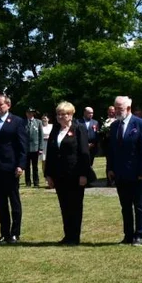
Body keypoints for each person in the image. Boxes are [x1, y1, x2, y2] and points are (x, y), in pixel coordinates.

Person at [45, 102, 91, 245]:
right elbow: (51, 153)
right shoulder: (55, 130)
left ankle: (74, 237)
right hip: (59, 175)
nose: (60, 116)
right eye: (58, 113)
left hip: (75, 175)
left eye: (64, 114)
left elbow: (84, 152)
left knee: (75, 206)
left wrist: (84, 174)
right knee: (64, 206)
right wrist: (48, 174)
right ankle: (67, 235)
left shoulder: (79, 128)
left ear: (71, 115)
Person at [0, 93, 28, 244]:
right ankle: (4, 233)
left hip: (11, 167)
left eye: (0, 104)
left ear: (8, 105)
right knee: (1, 202)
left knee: (14, 200)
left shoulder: (17, 121)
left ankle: (15, 233)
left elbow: (23, 146)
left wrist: (21, 165)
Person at [107, 96, 142, 246]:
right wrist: (110, 169)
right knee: (125, 206)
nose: (116, 111)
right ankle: (128, 235)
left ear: (128, 108)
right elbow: (111, 151)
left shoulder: (140, 124)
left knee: (138, 206)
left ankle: (139, 235)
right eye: (115, 108)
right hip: (120, 173)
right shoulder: (114, 127)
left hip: (136, 173)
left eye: (120, 108)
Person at [24, 109, 46, 188]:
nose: (30, 114)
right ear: (26, 114)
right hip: (26, 148)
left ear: (33, 114)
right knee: (26, 167)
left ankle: (36, 182)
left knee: (35, 166)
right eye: (28, 113)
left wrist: (40, 148)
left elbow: (41, 135)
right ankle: (28, 182)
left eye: (31, 113)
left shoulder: (38, 122)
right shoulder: (23, 122)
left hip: (35, 147)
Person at [102, 105, 118, 186]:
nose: (112, 113)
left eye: (113, 111)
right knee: (109, 163)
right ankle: (109, 180)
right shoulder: (106, 121)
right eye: (110, 111)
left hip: (118, 145)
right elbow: (102, 134)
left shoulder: (119, 120)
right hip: (109, 145)